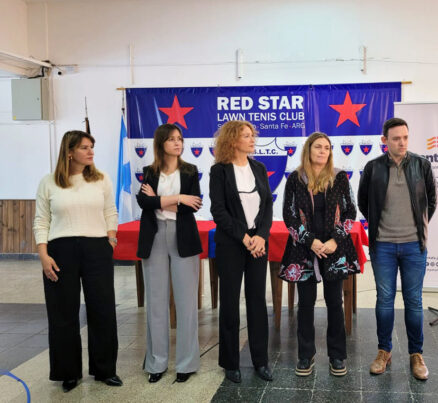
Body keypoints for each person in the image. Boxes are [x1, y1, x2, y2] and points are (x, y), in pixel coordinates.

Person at [33, 130, 122, 392]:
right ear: (69, 152)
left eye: (91, 146)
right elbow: (41, 220)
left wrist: (111, 239)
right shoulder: (49, 182)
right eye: (84, 147)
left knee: (103, 309)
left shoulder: (101, 179)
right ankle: (68, 372)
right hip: (60, 250)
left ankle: (105, 370)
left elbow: (110, 211)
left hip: (97, 248)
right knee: (62, 313)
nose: (91, 151)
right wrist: (43, 255)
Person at [358, 117, 436, 380]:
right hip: (383, 246)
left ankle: (416, 354)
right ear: (385, 141)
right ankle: (384, 351)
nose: (402, 143)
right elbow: (363, 202)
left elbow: (431, 202)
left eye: (405, 137)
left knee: (414, 301)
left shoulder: (422, 165)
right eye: (396, 139)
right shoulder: (373, 168)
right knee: (384, 300)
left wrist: (417, 228)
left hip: (414, 246)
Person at [279, 132, 360, 377]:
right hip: (303, 249)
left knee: (335, 302)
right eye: (318, 147)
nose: (323, 151)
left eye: (327, 147)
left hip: (335, 249)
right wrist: (310, 241)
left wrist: (335, 240)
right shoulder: (295, 179)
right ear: (308, 150)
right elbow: (289, 215)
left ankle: (337, 355)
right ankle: (306, 355)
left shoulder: (340, 177)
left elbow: (351, 212)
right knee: (305, 304)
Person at [136, 123, 203, 384]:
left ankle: (186, 363)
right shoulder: (149, 171)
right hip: (154, 236)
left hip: (182, 236)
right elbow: (144, 202)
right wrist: (178, 198)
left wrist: (161, 200)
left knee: (186, 302)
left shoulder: (190, 170)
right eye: (172, 139)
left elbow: (193, 205)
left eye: (180, 139)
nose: (178, 143)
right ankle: (156, 363)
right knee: (155, 301)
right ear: (161, 143)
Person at [209, 120, 273, 384]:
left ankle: (261, 361)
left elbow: (267, 206)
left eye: (252, 135)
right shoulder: (219, 171)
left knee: (257, 301)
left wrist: (261, 236)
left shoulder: (259, 168)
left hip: (257, 244)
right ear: (233, 140)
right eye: (246, 136)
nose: (252, 139)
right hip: (231, 245)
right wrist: (244, 237)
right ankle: (230, 363)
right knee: (230, 302)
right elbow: (218, 211)